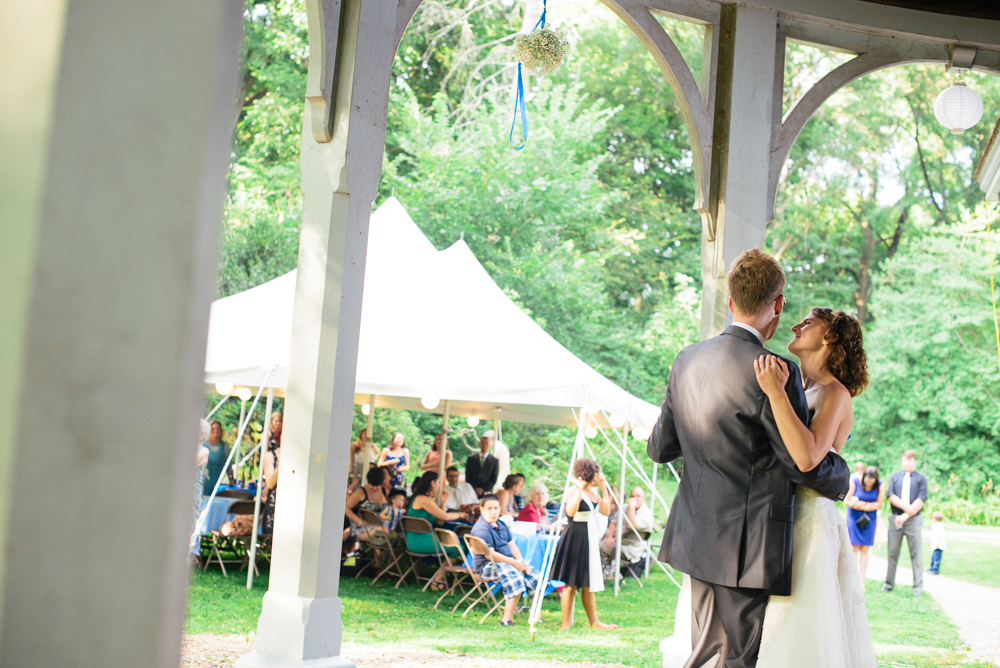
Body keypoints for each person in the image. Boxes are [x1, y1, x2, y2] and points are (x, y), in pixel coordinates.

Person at [647, 249, 853, 668]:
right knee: (739, 657)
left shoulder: (686, 359)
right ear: (777, 304)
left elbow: (659, 448)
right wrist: (843, 474)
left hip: (695, 530)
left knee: (702, 650)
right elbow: (801, 462)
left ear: (730, 301)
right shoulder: (776, 370)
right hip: (748, 543)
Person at [549, 458, 617, 631]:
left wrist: (603, 487)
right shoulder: (574, 490)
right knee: (570, 584)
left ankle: (595, 622)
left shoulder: (594, 492)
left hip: (589, 536)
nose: (600, 475)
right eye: (598, 472)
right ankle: (565, 623)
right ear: (590, 473)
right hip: (574, 536)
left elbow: (606, 511)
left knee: (588, 582)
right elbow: (570, 511)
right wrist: (579, 490)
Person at [470, 495, 540, 626]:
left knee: (534, 575)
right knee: (515, 576)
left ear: (500, 509)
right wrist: (515, 563)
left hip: (507, 562)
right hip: (487, 565)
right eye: (489, 508)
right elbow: (490, 555)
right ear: (482, 509)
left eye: (496, 508)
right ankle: (506, 619)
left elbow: (512, 545)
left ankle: (537, 616)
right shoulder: (481, 529)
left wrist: (521, 562)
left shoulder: (501, 524)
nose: (493, 512)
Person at [405, 472, 469, 590]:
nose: (440, 486)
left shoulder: (426, 499)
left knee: (457, 545)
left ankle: (440, 577)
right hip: (419, 540)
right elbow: (445, 517)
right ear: (432, 483)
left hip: (424, 538)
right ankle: (438, 579)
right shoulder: (423, 499)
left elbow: (440, 521)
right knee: (457, 548)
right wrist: (461, 514)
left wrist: (443, 501)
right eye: (439, 483)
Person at [882, 450, 928, 595]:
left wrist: (906, 514)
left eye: (910, 460)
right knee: (892, 553)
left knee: (916, 553)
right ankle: (888, 584)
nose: (907, 462)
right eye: (905, 460)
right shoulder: (895, 477)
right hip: (895, 518)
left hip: (913, 520)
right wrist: (905, 509)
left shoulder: (921, 479)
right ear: (902, 461)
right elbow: (890, 495)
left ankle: (917, 587)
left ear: (915, 461)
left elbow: (921, 499)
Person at [600, 487, 655, 579]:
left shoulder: (647, 514)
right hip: (616, 542)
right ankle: (605, 571)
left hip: (630, 549)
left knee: (601, 547)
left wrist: (632, 508)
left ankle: (601, 573)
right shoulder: (624, 507)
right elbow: (613, 522)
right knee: (602, 543)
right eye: (632, 496)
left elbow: (632, 526)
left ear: (643, 498)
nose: (634, 499)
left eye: (638, 496)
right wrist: (609, 537)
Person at [846, 466, 885, 582]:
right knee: (854, 547)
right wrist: (866, 505)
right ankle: (852, 579)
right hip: (854, 517)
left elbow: (879, 503)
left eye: (871, 483)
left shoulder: (881, 484)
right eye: (867, 482)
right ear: (863, 478)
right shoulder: (854, 481)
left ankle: (861, 580)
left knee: (865, 549)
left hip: (869, 519)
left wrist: (861, 505)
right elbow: (847, 500)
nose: (869, 485)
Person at [345, 467, 389, 543]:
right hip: (362, 527)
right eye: (372, 486)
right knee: (384, 532)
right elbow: (346, 508)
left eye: (377, 486)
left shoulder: (385, 491)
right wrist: (360, 521)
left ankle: (379, 554)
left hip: (381, 525)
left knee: (386, 533)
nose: (374, 489)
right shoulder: (360, 492)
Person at [261, 412, 282, 535]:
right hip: (274, 501)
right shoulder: (268, 434)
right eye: (276, 421)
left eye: (280, 421)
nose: (278, 423)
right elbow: (270, 483)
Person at [201, 420, 231, 496]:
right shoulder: (203, 445)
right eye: (213, 428)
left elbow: (229, 465)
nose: (216, 430)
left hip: (217, 483)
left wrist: (231, 479)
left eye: (218, 428)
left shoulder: (224, 447)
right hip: (203, 481)